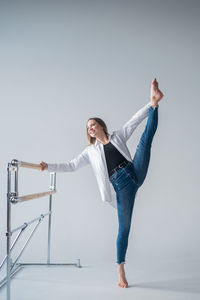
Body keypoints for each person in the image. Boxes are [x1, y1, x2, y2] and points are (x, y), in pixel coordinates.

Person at [40, 78, 164, 288]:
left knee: (146, 140)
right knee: (124, 229)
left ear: (100, 126)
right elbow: (70, 165)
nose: (90, 128)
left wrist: (149, 106)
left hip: (134, 171)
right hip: (122, 187)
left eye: (93, 124)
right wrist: (48, 166)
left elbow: (134, 120)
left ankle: (155, 102)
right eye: (88, 127)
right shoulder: (90, 152)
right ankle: (120, 268)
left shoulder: (117, 136)